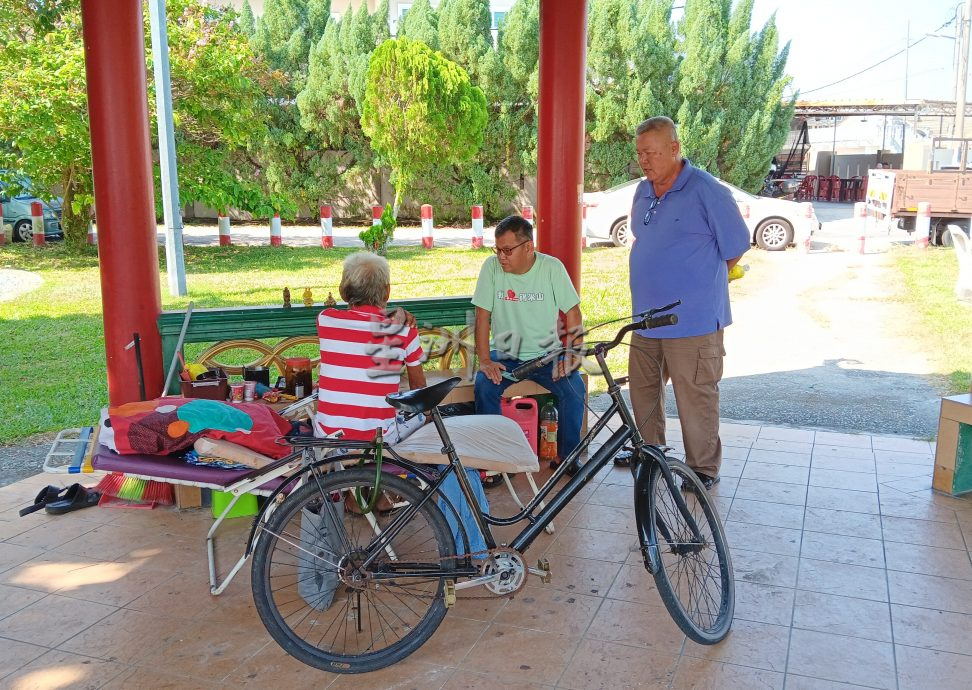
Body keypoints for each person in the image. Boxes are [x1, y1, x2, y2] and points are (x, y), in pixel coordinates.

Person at [316, 252, 489, 553]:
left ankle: (368, 498)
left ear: (345, 291)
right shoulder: (402, 330)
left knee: (375, 413)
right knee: (435, 436)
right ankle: (467, 546)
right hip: (380, 441)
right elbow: (419, 390)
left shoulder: (326, 321)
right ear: (387, 292)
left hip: (331, 440)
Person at [625, 116, 751, 491]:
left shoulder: (706, 190)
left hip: (692, 321)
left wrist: (699, 281)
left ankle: (702, 469)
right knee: (643, 389)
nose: (644, 161)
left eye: (652, 152)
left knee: (694, 397)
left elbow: (736, 245)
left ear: (675, 149)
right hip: (647, 320)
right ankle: (652, 455)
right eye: (640, 154)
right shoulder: (644, 191)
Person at [472, 215, 586, 471]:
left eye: (507, 250)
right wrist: (486, 361)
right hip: (506, 354)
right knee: (484, 387)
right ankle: (494, 462)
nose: (501, 257)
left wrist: (573, 356)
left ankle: (567, 457)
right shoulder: (490, 268)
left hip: (547, 355)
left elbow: (573, 313)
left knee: (574, 389)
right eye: (498, 250)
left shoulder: (551, 268)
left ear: (528, 248)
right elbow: (482, 317)